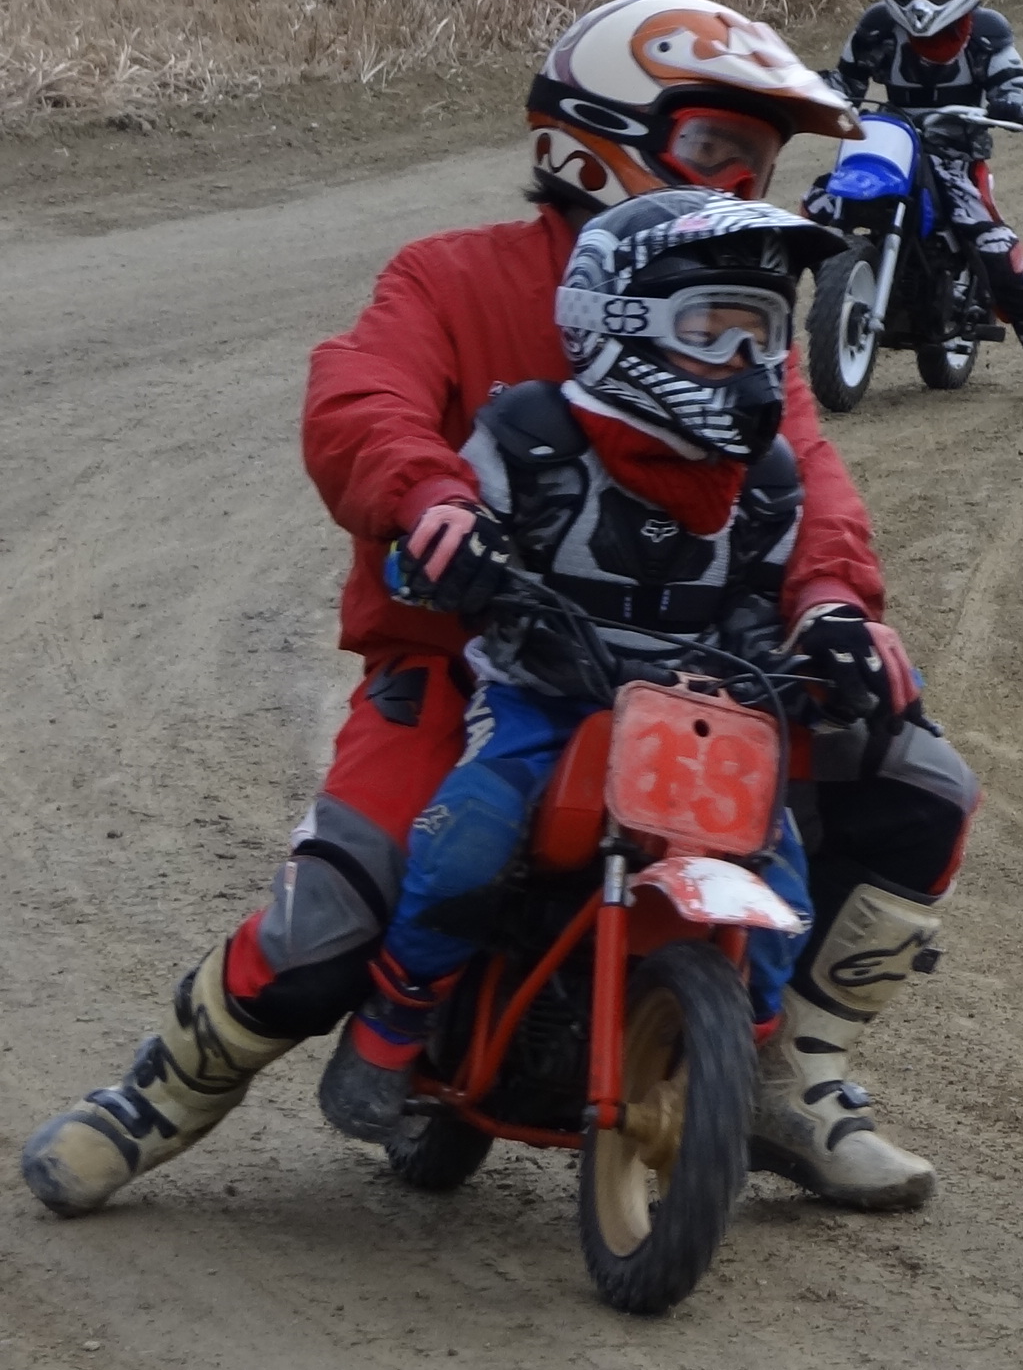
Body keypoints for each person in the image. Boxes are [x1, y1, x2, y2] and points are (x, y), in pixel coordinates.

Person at [23, 0, 978, 1219]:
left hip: (692, 666)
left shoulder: (741, 318)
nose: (742, 182)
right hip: (474, 662)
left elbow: (810, 476)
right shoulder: (452, 277)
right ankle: (160, 1093)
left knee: (918, 781)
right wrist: (431, 500)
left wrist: (835, 602)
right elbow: (358, 400)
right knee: (342, 908)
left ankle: (788, 1072)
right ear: (595, 136)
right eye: (714, 148)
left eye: (758, 160)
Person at [314, 189, 849, 1141]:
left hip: (699, 717)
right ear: (616, 323)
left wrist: (808, 648)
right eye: (710, 331)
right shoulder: (531, 437)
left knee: (785, 889)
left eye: (760, 334)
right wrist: (448, 553)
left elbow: (756, 596)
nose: (742, 361)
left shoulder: (766, 478)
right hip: (545, 695)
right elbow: (445, 540)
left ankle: (746, 1065)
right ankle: (396, 1022)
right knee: (469, 836)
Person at [824, 0, 1023, 399]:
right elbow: (845, 83)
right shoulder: (877, 28)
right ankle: (770, 333)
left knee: (991, 243)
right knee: (813, 214)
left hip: (955, 157)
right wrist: (811, 92)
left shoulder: (986, 32)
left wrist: (1010, 100)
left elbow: (1010, 81)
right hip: (889, 147)